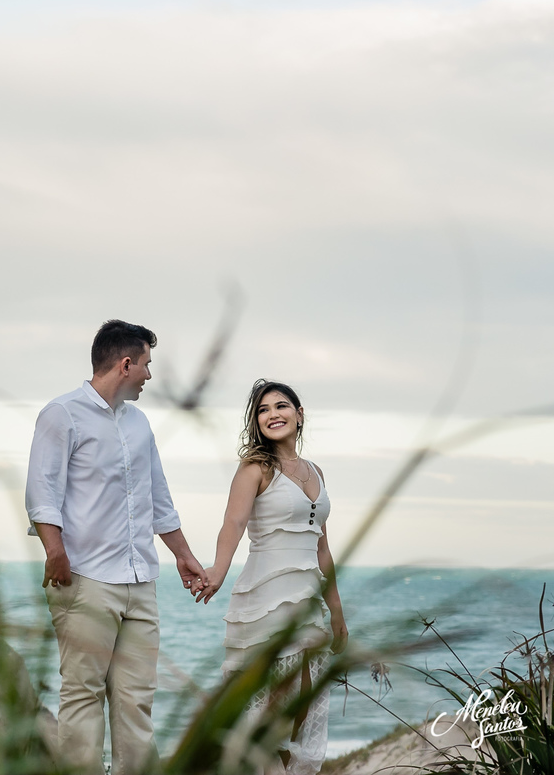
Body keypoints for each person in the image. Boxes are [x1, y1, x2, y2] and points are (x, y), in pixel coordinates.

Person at [25, 319, 208, 775]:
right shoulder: (61, 414)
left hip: (140, 581)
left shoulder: (140, 423)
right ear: (125, 364)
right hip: (84, 578)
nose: (149, 375)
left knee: (136, 700)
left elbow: (158, 497)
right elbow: (41, 492)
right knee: (83, 695)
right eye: (146, 365)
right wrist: (55, 552)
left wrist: (183, 555)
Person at [197, 379, 349, 775]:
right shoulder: (255, 469)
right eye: (263, 410)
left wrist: (337, 615)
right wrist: (216, 571)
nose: (273, 415)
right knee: (269, 710)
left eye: (281, 406)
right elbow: (232, 525)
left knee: (303, 705)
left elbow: (322, 548)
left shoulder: (317, 471)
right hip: (264, 600)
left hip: (307, 604)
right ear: (256, 421)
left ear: (300, 415)